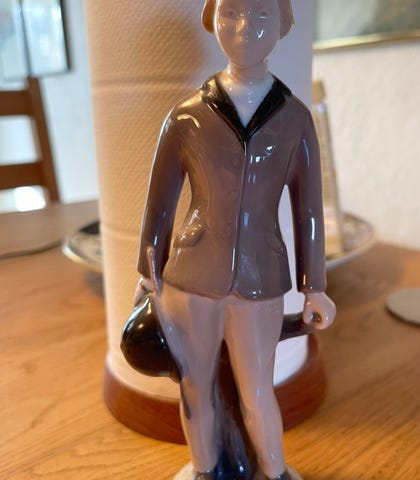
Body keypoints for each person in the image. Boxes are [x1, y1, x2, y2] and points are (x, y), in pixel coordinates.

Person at [135, 0, 336, 478]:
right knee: (194, 385)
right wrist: (147, 272)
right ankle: (204, 469)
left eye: (262, 15)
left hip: (260, 277)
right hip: (190, 278)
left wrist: (314, 286)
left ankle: (274, 471)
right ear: (213, 20)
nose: (246, 27)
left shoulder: (295, 118)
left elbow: (308, 208)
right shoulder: (185, 117)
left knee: (257, 390)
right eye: (231, 13)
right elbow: (159, 204)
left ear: (284, 24)